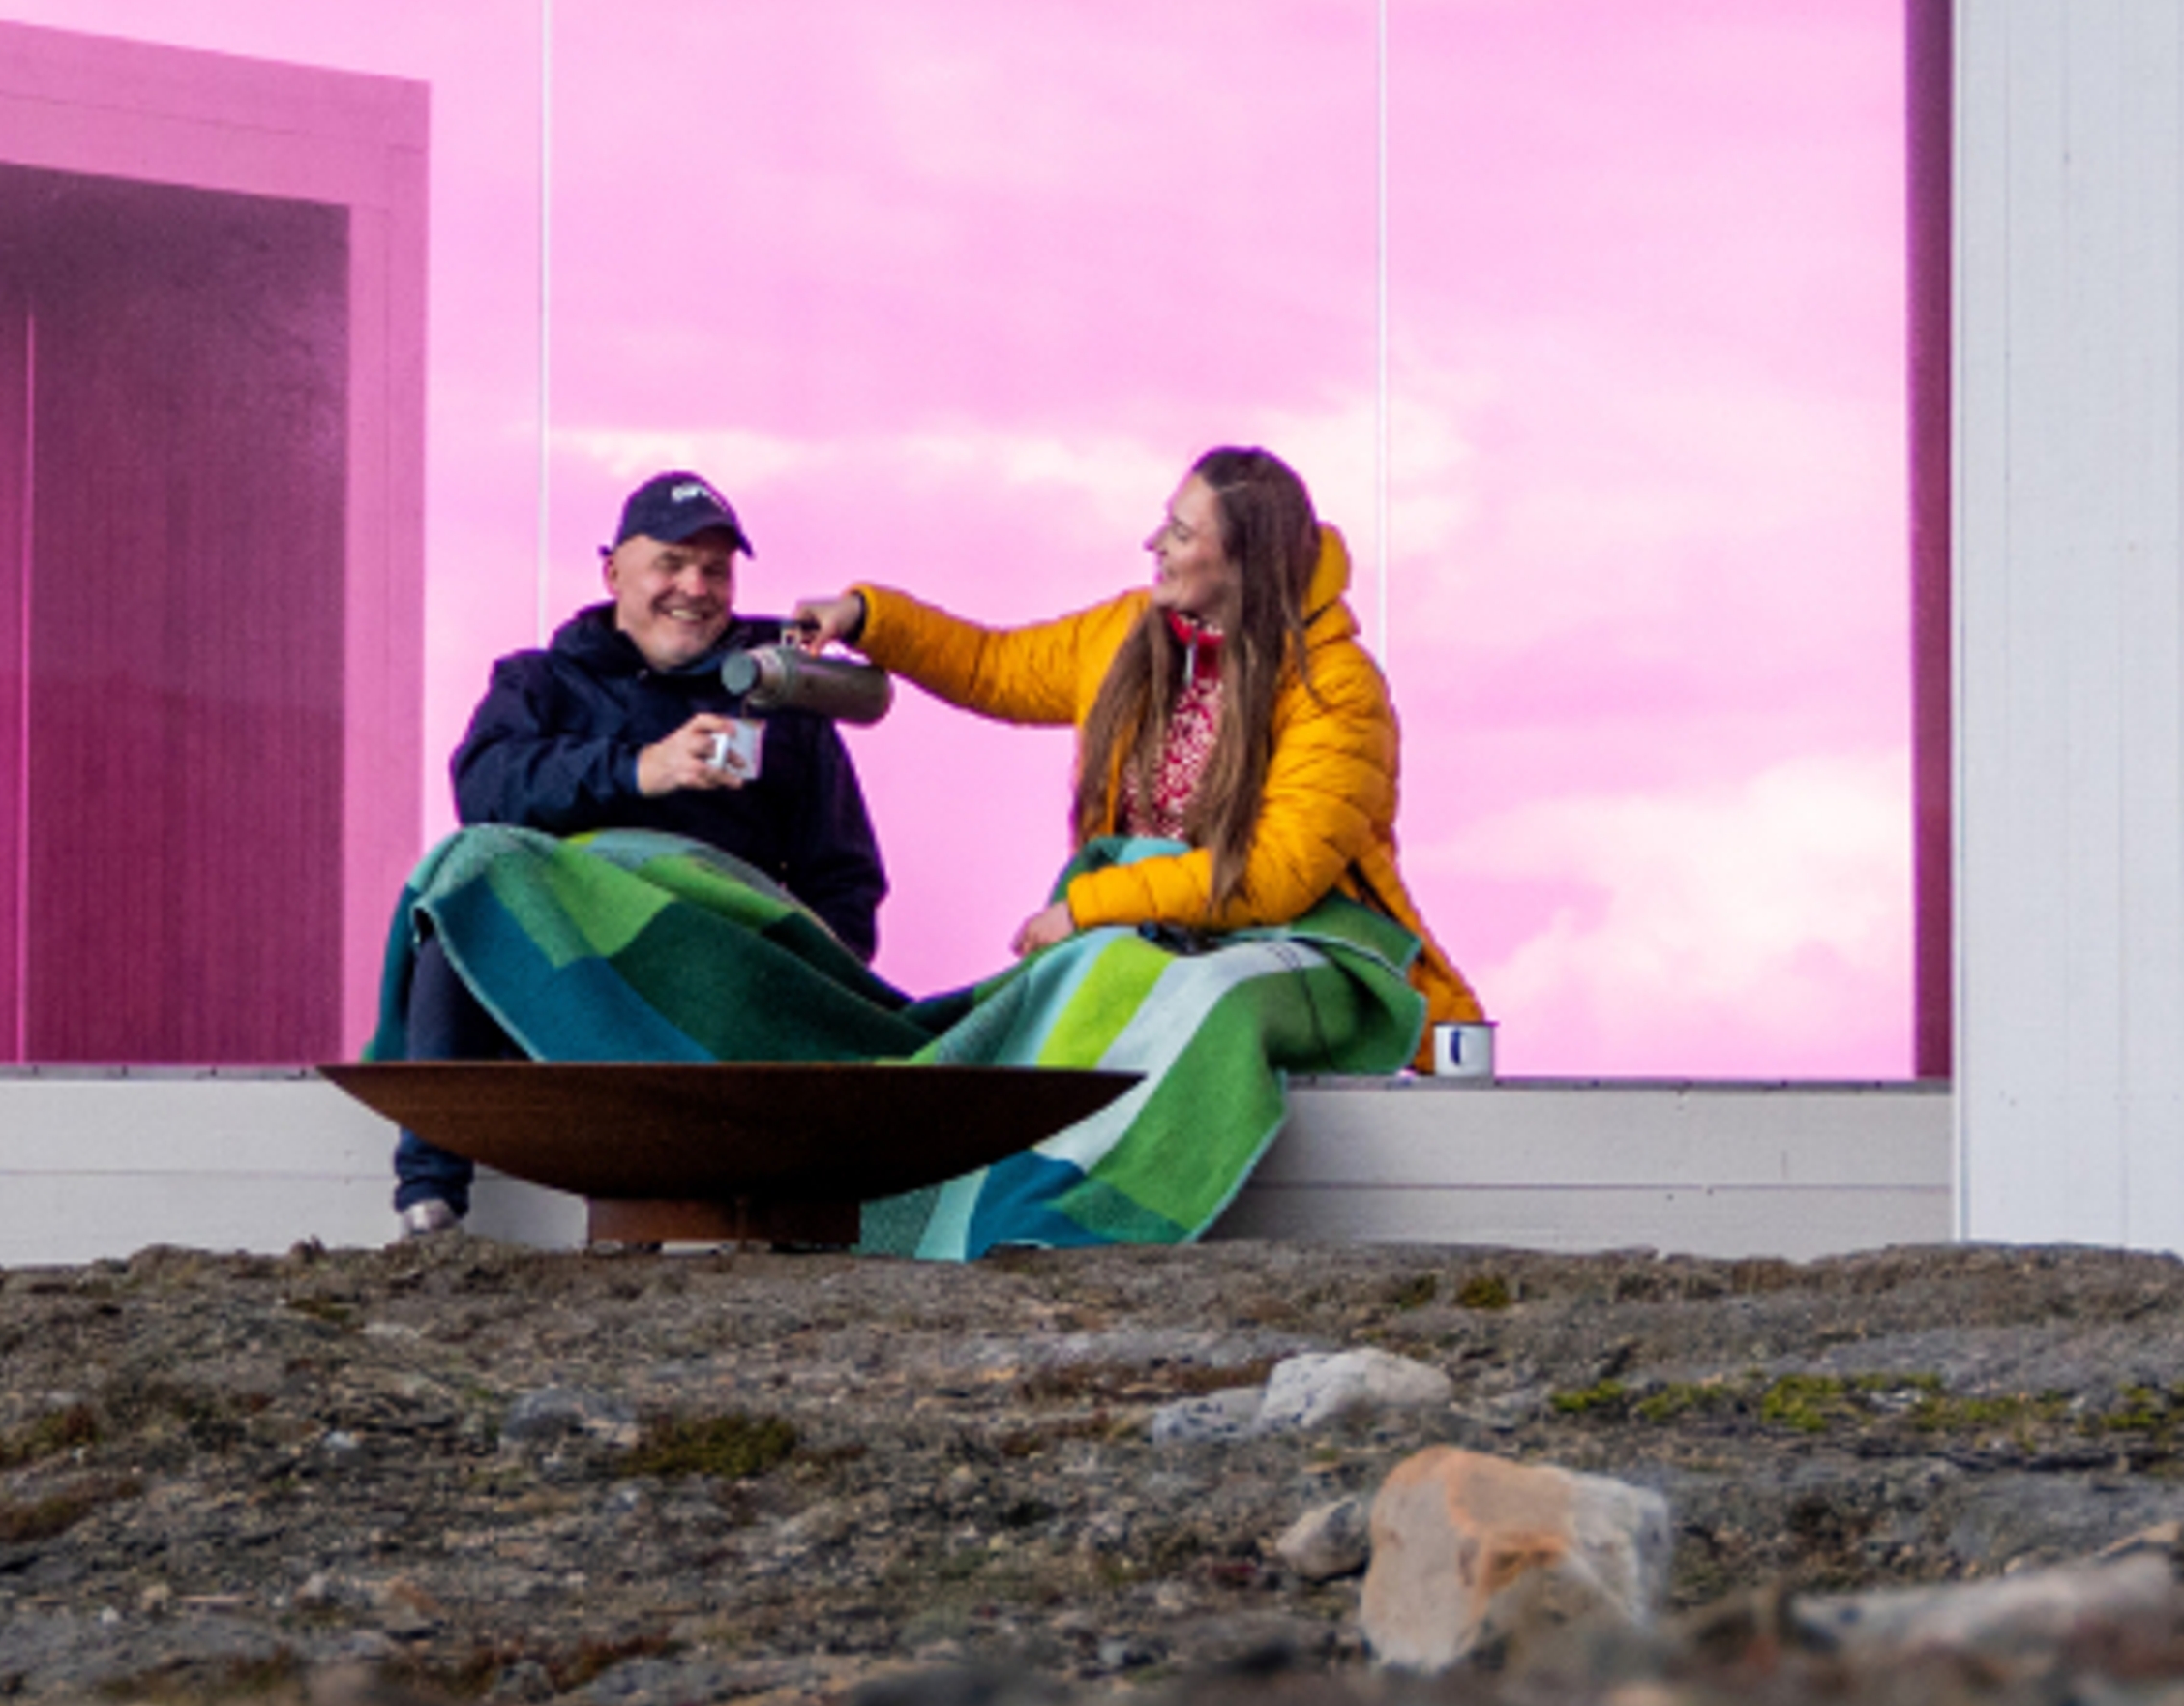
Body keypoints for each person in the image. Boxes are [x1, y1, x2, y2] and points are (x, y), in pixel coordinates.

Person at [790, 442, 1479, 1033]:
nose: (1154, 544)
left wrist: (1088, 908)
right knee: (1030, 1015)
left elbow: (1272, 877)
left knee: (1195, 1002)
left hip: (1312, 954)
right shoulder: (1123, 634)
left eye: (1180, 532)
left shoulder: (1336, 686)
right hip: (1155, 946)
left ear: (1244, 561)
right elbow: (989, 666)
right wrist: (865, 616)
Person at [387, 468, 887, 1228]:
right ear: (613, 573)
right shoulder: (540, 682)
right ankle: (430, 1198)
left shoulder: (781, 699)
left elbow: (844, 876)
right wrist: (639, 769)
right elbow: (483, 789)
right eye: (671, 563)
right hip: (574, 980)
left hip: (718, 986)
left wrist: (816, 981)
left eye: (715, 570)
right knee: (467, 876)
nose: (695, 587)